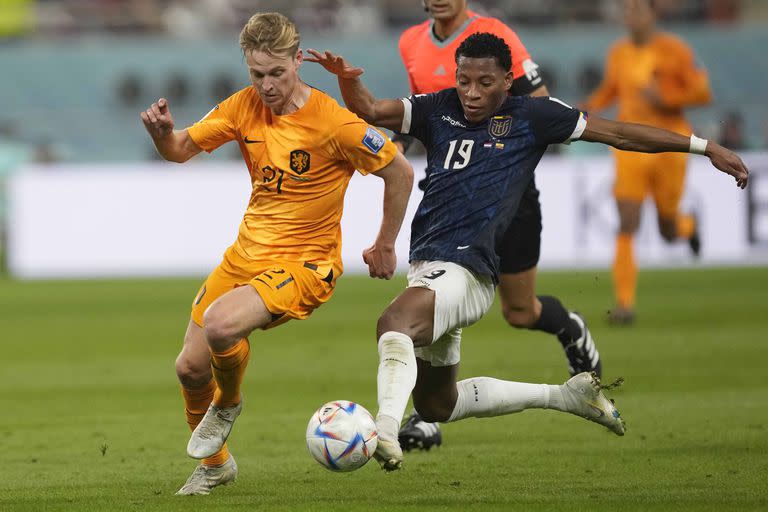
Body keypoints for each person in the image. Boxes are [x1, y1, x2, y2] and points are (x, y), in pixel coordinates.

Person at [307, 32, 748, 470]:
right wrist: (346, 81)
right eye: (463, 81)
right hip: (429, 267)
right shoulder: (436, 108)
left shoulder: (534, 116)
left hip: (468, 270)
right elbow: (369, 109)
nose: (471, 93)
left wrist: (704, 146)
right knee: (439, 403)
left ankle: (383, 430)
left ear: (507, 80)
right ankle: (564, 396)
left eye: (484, 83)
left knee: (393, 322)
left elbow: (618, 133)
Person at [140, 12, 414, 495]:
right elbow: (180, 149)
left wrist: (385, 242)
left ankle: (227, 404)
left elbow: (400, 171)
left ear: (296, 60)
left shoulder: (334, 122)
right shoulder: (243, 106)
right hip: (246, 256)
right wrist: (163, 133)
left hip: (306, 265)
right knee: (188, 366)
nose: (265, 86)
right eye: (256, 74)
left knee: (222, 325)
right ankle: (216, 465)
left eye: (276, 74)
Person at [391, 0, 602, 453]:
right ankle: (424, 414)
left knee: (519, 312)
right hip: (450, 194)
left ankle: (571, 328)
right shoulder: (410, 42)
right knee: (437, 301)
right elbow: (421, 113)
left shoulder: (493, 32)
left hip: (510, 195)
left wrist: (495, 154)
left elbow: (542, 107)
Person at [581, 0, 713, 325]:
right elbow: (610, 91)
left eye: (638, 9)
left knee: (667, 229)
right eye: (627, 10)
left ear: (654, 13)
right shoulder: (619, 52)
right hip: (630, 146)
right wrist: (581, 110)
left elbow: (702, 92)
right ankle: (624, 305)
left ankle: (687, 227)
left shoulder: (675, 50)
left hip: (669, 146)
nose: (631, 15)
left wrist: (667, 100)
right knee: (627, 220)